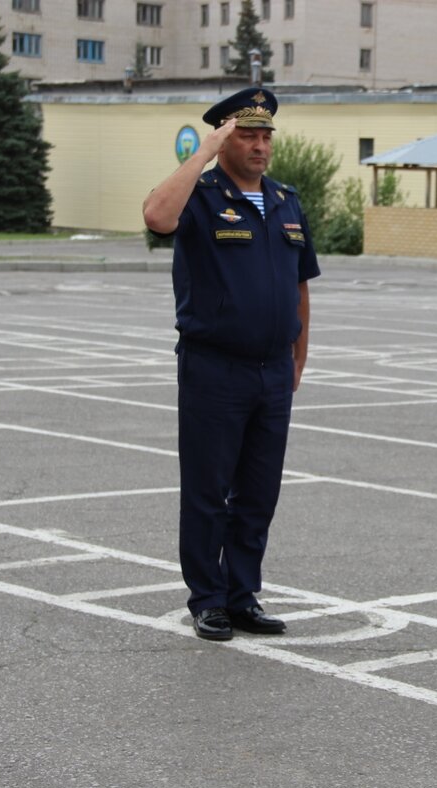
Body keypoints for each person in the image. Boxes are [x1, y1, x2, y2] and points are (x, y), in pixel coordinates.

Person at [142, 88, 320, 640]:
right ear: (223, 138)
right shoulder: (198, 196)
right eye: (248, 134)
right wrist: (201, 153)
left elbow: (299, 287)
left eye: (266, 135)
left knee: (258, 492)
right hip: (213, 368)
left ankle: (243, 595)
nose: (261, 145)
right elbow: (155, 216)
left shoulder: (286, 202)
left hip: (272, 372)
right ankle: (208, 598)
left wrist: (298, 357)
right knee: (207, 488)